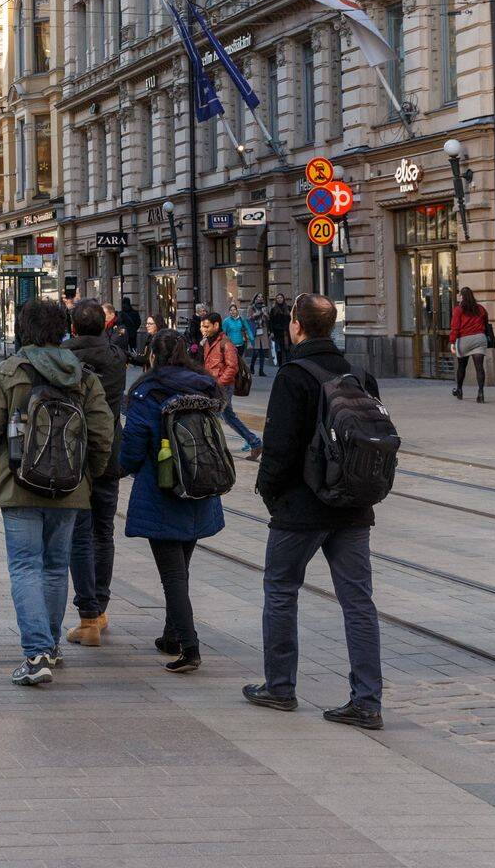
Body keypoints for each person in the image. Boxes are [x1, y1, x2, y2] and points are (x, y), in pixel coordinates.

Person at [0, 298, 114, 687]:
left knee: (26, 566)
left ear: (23, 331)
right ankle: (52, 646)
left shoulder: (8, 373)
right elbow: (102, 432)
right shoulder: (83, 376)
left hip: (19, 486)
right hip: (69, 489)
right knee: (56, 566)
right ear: (63, 330)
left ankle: (36, 653)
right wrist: (87, 476)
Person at [244, 294, 382, 728]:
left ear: (297, 327)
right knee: (358, 602)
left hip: (301, 508)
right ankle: (367, 701)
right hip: (353, 506)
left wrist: (270, 494)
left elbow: (279, 449)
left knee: (281, 591)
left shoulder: (294, 375)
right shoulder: (360, 374)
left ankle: (280, 687)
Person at [118, 331, 226, 672]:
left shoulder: (146, 392)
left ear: (152, 356)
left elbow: (132, 451)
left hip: (161, 492)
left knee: (172, 576)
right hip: (198, 487)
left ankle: (189, 646)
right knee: (181, 569)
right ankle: (171, 634)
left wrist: (112, 471)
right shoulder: (203, 386)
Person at [64, 299, 127, 649]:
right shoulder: (117, 358)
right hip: (108, 451)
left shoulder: (64, 357)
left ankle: (87, 614)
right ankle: (100, 609)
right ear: (105, 326)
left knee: (79, 533)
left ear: (73, 328)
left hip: (72, 454)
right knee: (104, 531)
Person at [199, 312, 263, 458]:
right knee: (228, 417)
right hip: (213, 385)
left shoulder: (226, 343)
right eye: (202, 326)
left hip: (223, 386)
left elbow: (232, 367)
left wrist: (219, 384)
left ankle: (210, 449)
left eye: (206, 326)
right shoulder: (208, 342)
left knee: (210, 415)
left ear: (216, 325)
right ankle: (255, 442)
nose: (203, 329)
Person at [448, 287, 490, 402]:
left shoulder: (459, 309)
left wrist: (452, 342)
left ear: (462, 296)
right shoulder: (480, 309)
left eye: (459, 294)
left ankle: (459, 390)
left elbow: (455, 327)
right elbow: (486, 323)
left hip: (465, 339)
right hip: (480, 338)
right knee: (479, 367)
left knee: (462, 366)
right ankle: (481, 393)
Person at [267, 295, 293, 368]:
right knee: (279, 350)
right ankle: (280, 365)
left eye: (281, 298)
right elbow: (271, 322)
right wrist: (271, 331)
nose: (279, 299)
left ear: (283, 299)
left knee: (287, 349)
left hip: (287, 332)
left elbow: (292, 320)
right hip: (277, 333)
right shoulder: (273, 310)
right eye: (278, 298)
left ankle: (288, 365)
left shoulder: (288, 308)